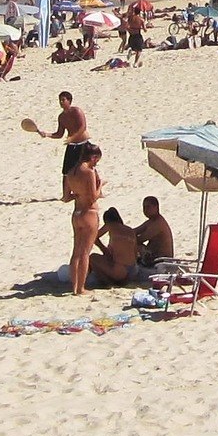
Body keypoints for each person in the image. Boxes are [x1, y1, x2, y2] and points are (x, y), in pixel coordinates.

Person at [64, 145, 104, 294]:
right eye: (96, 161)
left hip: (77, 213)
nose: (96, 164)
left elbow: (66, 197)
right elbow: (94, 196)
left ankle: (74, 286)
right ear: (93, 157)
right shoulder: (89, 172)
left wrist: (78, 194)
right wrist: (101, 185)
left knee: (76, 251)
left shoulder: (71, 172)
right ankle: (80, 288)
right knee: (85, 252)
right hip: (89, 213)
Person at [41, 90, 92, 195]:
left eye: (63, 100)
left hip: (83, 143)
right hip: (72, 145)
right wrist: (47, 134)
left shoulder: (77, 111)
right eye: (60, 100)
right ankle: (66, 195)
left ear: (69, 101)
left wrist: (72, 138)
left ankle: (96, 190)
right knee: (66, 171)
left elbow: (83, 127)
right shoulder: (61, 117)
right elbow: (59, 134)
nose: (61, 102)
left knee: (89, 168)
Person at [90, 207, 139, 286]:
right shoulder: (130, 230)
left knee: (92, 258)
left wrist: (104, 249)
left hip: (120, 270)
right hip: (133, 270)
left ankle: (107, 284)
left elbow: (93, 237)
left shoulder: (110, 225)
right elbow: (135, 253)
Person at [134, 195, 175, 266]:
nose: (145, 210)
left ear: (156, 207)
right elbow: (135, 231)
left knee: (137, 246)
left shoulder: (158, 223)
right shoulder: (151, 221)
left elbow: (140, 239)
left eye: (148, 207)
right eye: (144, 207)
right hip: (154, 257)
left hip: (162, 260)